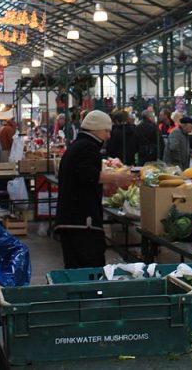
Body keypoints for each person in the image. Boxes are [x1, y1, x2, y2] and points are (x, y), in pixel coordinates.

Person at [56, 110, 134, 268]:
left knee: (74, 268)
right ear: (96, 129)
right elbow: (88, 175)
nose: (109, 136)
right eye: (107, 131)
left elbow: (82, 177)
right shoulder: (87, 147)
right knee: (89, 266)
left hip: (70, 219)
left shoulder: (78, 146)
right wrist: (118, 178)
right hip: (82, 221)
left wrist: (105, 185)